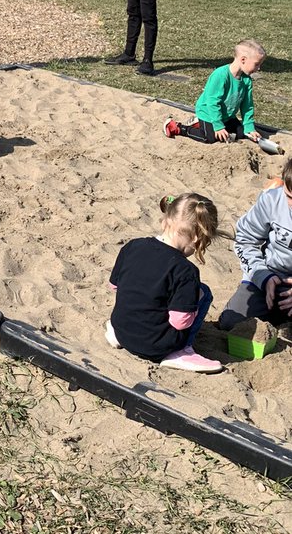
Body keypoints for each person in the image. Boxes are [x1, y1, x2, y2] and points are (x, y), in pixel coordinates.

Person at [105, 193, 222, 373]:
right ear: (197, 240)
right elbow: (180, 323)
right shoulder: (185, 271)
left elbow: (115, 286)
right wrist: (193, 303)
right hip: (156, 346)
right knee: (203, 292)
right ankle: (181, 351)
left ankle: (120, 333)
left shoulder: (133, 246)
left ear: (166, 219)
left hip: (121, 329)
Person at [217, 156, 292, 332]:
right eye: (289, 196)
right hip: (271, 278)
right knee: (232, 323)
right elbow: (245, 241)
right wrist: (263, 276)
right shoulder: (272, 200)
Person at [164, 40, 266, 142]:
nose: (259, 68)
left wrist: (249, 128)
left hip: (227, 116)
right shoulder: (220, 75)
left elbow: (247, 105)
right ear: (243, 59)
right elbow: (212, 102)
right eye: (257, 64)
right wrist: (218, 126)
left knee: (242, 134)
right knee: (210, 138)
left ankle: (200, 124)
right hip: (208, 113)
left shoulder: (246, 80)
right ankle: (179, 128)